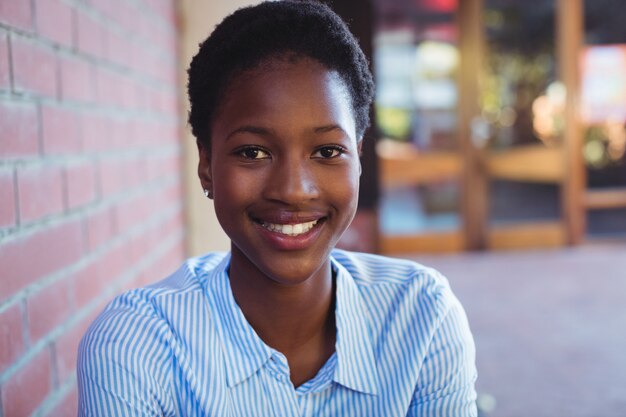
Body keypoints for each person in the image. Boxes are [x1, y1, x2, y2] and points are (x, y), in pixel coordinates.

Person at [77, 1, 477, 416]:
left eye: (326, 151)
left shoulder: (421, 315)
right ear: (207, 165)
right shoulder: (135, 344)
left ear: (358, 159)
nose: (294, 190)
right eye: (253, 152)